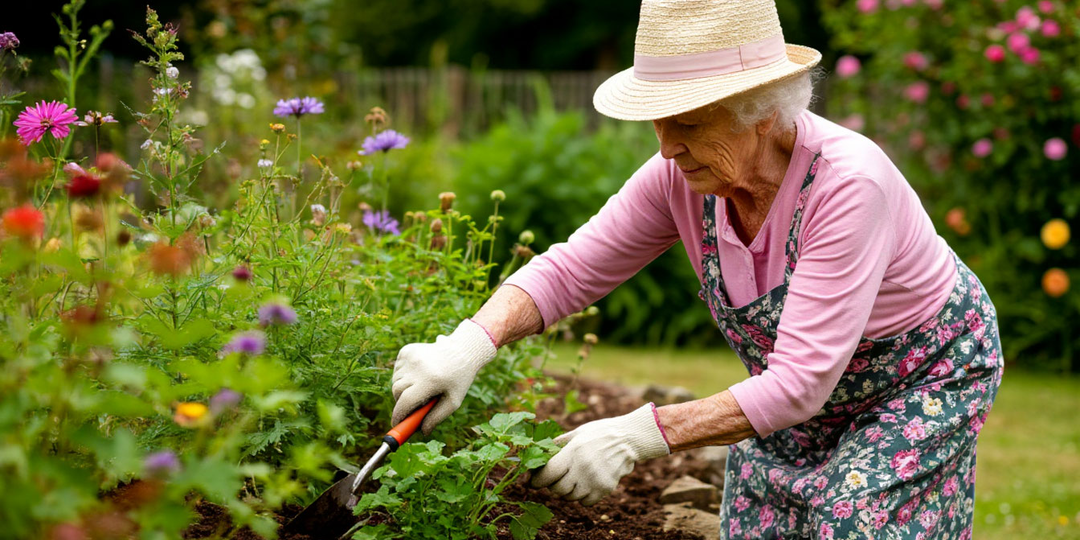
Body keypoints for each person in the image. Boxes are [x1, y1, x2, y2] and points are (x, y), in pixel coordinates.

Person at [391, 0, 1003, 537]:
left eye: (686, 121)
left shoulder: (847, 184)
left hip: (920, 377)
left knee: (855, 513)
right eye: (658, 121)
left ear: (759, 110)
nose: (665, 145)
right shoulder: (681, 179)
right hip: (797, 393)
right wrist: (471, 342)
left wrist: (637, 434)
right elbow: (569, 271)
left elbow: (798, 383)